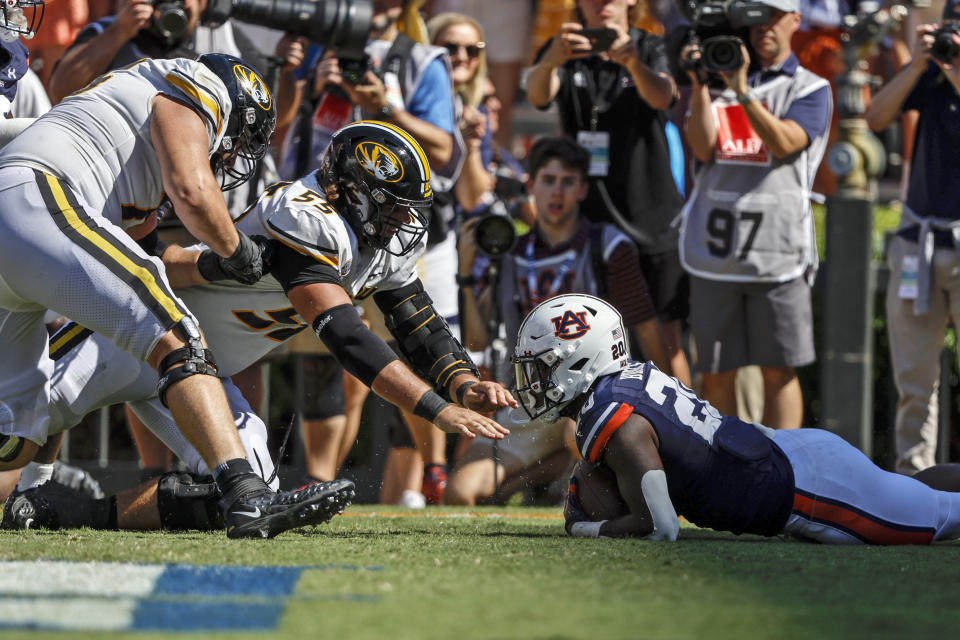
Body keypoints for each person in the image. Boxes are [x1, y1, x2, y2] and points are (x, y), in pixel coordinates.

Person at [2, 121, 515, 531]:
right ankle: (24, 493)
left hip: (202, 374)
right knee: (19, 423)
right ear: (350, 193)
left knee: (249, 495)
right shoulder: (303, 215)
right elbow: (345, 334)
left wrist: (463, 383)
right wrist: (436, 409)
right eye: (392, 210)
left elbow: (416, 321)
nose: (402, 226)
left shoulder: (371, 240)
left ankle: (60, 515)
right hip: (135, 332)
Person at [0, 53, 356, 539]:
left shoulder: (122, 138)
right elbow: (191, 190)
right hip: (35, 198)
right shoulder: (195, 82)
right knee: (179, 334)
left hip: (19, 218)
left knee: (13, 430)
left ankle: (24, 501)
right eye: (238, 145)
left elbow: (146, 250)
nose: (231, 160)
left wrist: (210, 263)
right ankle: (246, 494)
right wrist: (237, 249)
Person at [514, 294, 960, 544]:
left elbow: (660, 527)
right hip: (793, 457)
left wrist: (585, 527)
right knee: (920, 492)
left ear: (577, 361)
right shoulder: (625, 382)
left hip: (810, 492)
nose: (532, 382)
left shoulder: (614, 417)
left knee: (940, 516)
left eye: (541, 367)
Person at [445, 136, 668, 506]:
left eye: (568, 181)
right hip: (529, 400)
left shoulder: (608, 246)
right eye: (548, 180)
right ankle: (549, 469)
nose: (557, 191)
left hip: (593, 395)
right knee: (459, 493)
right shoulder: (512, 254)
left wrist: (673, 394)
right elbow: (478, 342)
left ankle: (570, 472)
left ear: (582, 188)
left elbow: (646, 327)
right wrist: (467, 276)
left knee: (577, 433)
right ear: (531, 185)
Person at [679, 0, 831, 429]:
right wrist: (699, 86)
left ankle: (788, 478)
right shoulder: (716, 81)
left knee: (779, 372)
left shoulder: (810, 87)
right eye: (755, 17)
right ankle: (728, 478)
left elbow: (785, 142)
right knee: (717, 373)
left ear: (795, 21)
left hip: (778, 257)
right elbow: (703, 148)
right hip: (715, 253)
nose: (764, 26)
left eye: (775, 15)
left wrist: (743, 90)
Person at [526, 0, 691, 387]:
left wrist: (633, 63)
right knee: (589, 341)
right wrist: (550, 61)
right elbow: (537, 96)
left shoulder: (650, 46)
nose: (601, 3)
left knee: (665, 342)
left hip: (650, 216)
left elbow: (664, 96)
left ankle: (688, 431)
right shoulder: (564, 48)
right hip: (588, 219)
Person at [865, 5, 960, 475]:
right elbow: (876, 116)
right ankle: (913, 483)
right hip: (918, 239)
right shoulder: (933, 73)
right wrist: (919, 63)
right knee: (914, 379)